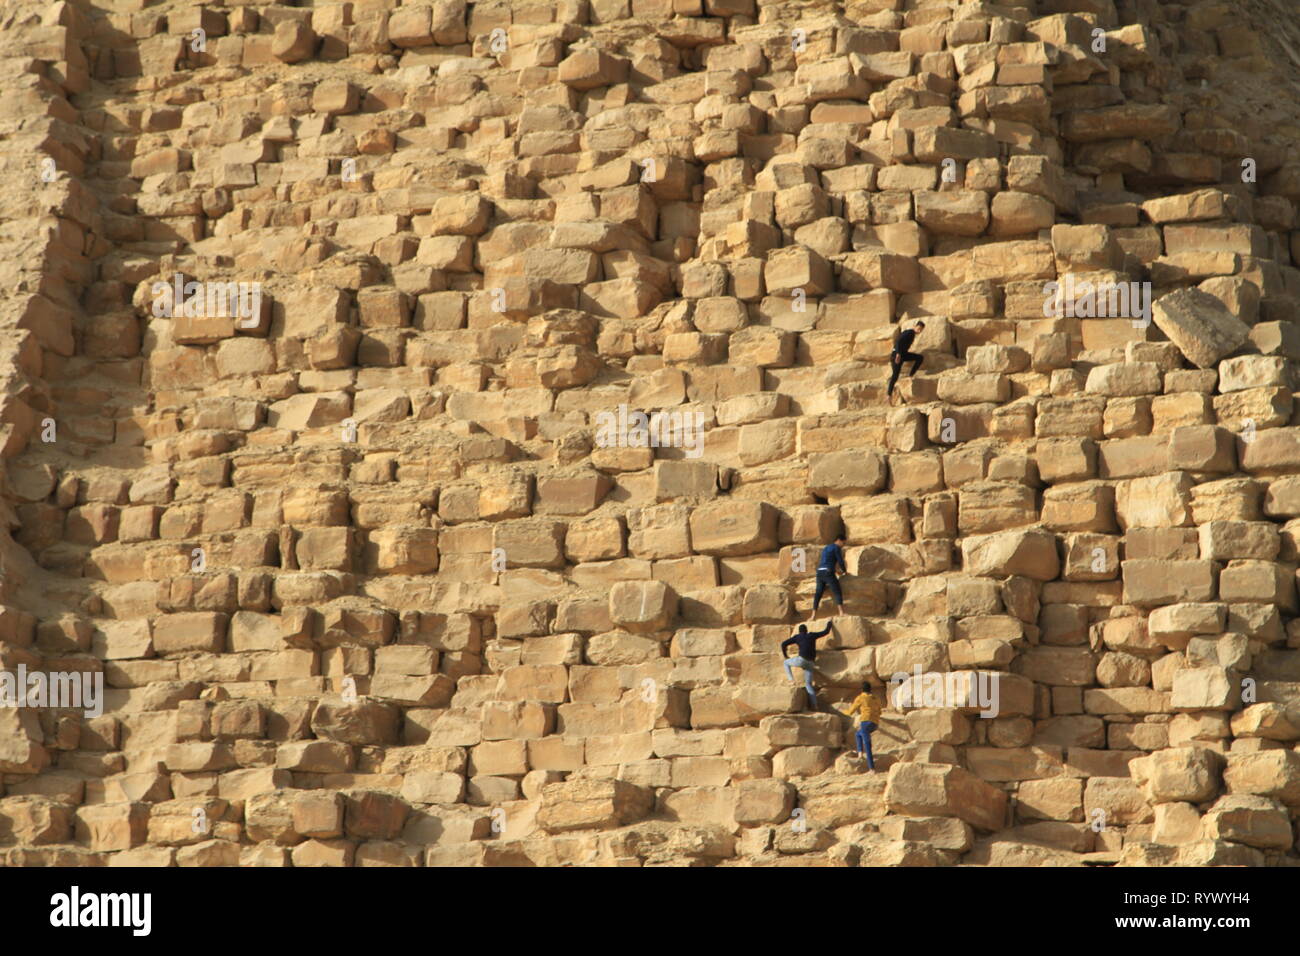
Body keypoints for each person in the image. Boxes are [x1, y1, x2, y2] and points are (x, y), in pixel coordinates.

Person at [780, 622, 833, 710]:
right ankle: (815, 705)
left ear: (799, 631)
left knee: (786, 663)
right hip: (811, 663)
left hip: (802, 660)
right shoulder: (812, 635)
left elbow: (783, 644)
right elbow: (825, 632)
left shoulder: (797, 637)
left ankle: (791, 680)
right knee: (808, 684)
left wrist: (785, 655)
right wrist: (829, 624)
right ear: (806, 630)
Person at [840, 682, 882, 771]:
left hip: (865, 722)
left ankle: (872, 769)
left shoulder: (861, 698)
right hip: (875, 723)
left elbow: (851, 711)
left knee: (867, 745)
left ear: (862, 690)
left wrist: (842, 712)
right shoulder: (876, 698)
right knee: (858, 734)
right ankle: (860, 753)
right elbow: (880, 711)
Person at [887, 320, 925, 401]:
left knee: (919, 358)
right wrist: (898, 354)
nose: (919, 331)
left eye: (921, 330)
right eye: (918, 328)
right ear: (915, 326)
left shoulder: (912, 334)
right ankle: (889, 395)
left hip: (902, 355)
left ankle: (911, 375)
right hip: (897, 355)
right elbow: (898, 342)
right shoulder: (910, 332)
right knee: (895, 376)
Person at [813, 533, 847, 616]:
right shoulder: (836, 548)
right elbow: (840, 561)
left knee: (818, 594)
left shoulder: (826, 548)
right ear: (839, 540)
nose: (843, 545)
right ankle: (841, 612)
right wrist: (844, 571)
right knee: (837, 591)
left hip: (819, 572)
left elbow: (826, 561)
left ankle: (813, 615)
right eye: (843, 543)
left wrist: (835, 571)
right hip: (828, 572)